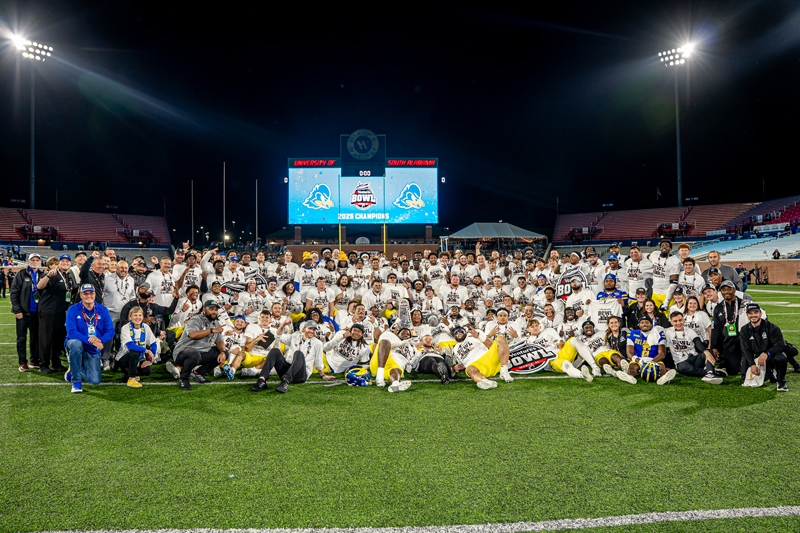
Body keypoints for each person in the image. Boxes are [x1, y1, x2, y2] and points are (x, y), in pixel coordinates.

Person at [250, 320, 329, 393]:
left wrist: (323, 375)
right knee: (275, 351)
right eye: (310, 328)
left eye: (314, 330)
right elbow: (279, 336)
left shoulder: (318, 343)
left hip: (301, 374)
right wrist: (283, 325)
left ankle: (285, 382)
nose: (312, 331)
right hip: (287, 370)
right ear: (304, 329)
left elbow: (318, 362)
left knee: (298, 354)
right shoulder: (295, 337)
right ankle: (262, 381)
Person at [64, 284, 115, 393]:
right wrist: (91, 340)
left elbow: (110, 331)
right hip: (78, 343)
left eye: (91, 293)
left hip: (93, 348)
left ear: (95, 294)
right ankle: (76, 383)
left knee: (95, 380)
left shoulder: (103, 310)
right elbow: (71, 332)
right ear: (80, 295)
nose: (88, 296)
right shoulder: (72, 310)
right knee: (75, 344)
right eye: (85, 294)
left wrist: (99, 340)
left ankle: (73, 368)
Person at [170, 300, 228, 391]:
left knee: (224, 352)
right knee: (194, 354)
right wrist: (211, 330)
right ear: (204, 309)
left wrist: (223, 352)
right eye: (211, 309)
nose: (214, 312)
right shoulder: (195, 319)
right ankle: (183, 379)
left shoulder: (215, 323)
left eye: (216, 310)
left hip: (200, 353)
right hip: (182, 353)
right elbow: (192, 335)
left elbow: (219, 341)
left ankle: (198, 373)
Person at [35, 254, 74, 373]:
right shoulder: (52, 273)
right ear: (59, 263)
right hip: (48, 311)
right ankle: (44, 364)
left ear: (70, 264)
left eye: (68, 261)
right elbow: (39, 286)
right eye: (63, 261)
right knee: (45, 339)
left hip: (60, 312)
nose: (65, 263)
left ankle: (56, 363)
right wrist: (47, 276)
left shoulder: (69, 276)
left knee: (57, 339)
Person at [665, 311, 724, 385]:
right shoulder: (667, 332)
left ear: (684, 320)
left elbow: (697, 342)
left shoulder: (689, 331)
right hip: (681, 362)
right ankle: (709, 372)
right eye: (675, 321)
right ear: (671, 322)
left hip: (695, 358)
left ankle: (710, 373)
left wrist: (706, 352)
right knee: (684, 367)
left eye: (680, 320)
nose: (678, 323)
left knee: (708, 351)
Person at [740, 303, 788, 391]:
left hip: (771, 355)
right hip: (756, 357)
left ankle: (781, 381)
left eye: (755, 313)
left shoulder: (772, 327)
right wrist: (752, 365)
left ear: (760, 314)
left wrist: (767, 353)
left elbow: (781, 345)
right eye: (750, 313)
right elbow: (746, 349)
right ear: (747, 315)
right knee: (745, 381)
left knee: (781, 357)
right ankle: (770, 373)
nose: (753, 315)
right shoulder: (744, 330)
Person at [710, 280, 754, 375]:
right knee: (732, 371)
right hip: (728, 342)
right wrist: (714, 346)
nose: (726, 292)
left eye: (729, 289)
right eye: (724, 290)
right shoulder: (718, 308)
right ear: (721, 292)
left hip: (744, 339)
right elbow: (715, 328)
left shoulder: (744, 304)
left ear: (734, 290)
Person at [10, 253, 44, 371]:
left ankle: (34, 360)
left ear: (40, 262)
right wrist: (17, 310)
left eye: (37, 260)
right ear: (28, 262)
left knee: (36, 338)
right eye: (32, 260)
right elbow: (14, 293)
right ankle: (22, 362)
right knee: (21, 338)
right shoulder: (21, 274)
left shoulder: (42, 275)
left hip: (37, 313)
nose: (35, 262)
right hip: (23, 313)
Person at [626, 315, 677, 385]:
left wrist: (650, 363)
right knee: (633, 366)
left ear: (651, 324)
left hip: (654, 359)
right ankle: (630, 378)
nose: (644, 324)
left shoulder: (658, 334)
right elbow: (629, 353)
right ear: (639, 324)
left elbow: (662, 354)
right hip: (639, 359)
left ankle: (663, 379)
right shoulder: (632, 333)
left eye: (647, 322)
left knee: (661, 367)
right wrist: (639, 361)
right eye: (642, 322)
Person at [115, 306, 157, 388]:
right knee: (135, 352)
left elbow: (153, 343)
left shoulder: (145, 327)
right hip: (124, 357)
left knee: (147, 371)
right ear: (130, 317)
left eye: (140, 315)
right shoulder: (125, 327)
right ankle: (131, 378)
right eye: (135, 315)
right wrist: (147, 351)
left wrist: (150, 360)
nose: (138, 317)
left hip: (139, 357)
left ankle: (130, 373)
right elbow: (130, 346)